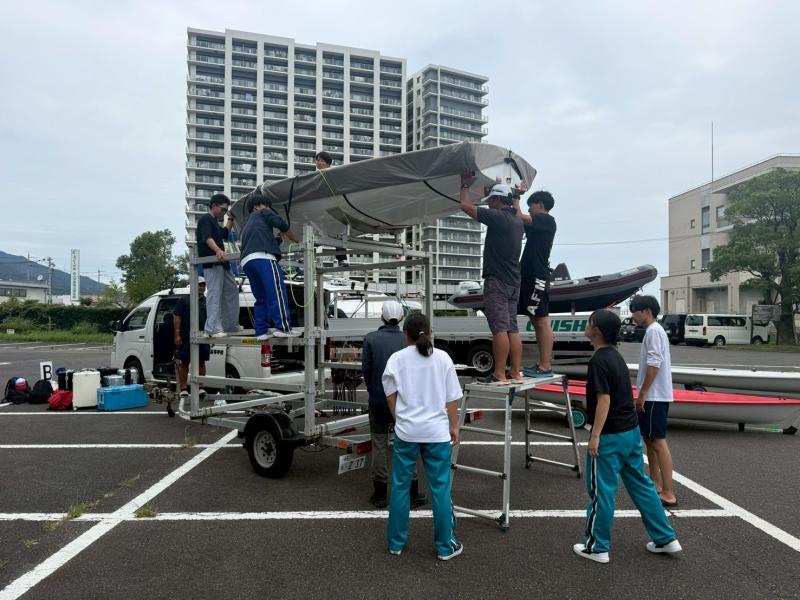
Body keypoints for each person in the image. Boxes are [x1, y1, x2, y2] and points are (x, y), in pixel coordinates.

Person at [574, 309, 682, 563]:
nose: (586, 326)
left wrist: (595, 436)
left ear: (596, 330)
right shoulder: (616, 357)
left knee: (602, 492)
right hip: (630, 432)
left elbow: (604, 400)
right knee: (642, 487)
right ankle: (666, 538)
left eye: (589, 323)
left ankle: (597, 547)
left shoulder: (599, 360)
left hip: (610, 436)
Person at [382, 313, 463, 560]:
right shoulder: (443, 358)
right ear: (429, 332)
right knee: (440, 489)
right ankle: (444, 547)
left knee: (400, 487)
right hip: (436, 433)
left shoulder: (397, 359)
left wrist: (399, 418)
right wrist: (454, 426)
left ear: (405, 334)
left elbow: (390, 395)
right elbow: (452, 398)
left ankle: (396, 543)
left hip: (407, 432)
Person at [361, 301, 427, 509]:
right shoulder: (408, 339)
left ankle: (380, 493)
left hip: (379, 400)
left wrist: (373, 390)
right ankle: (412, 492)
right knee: (407, 443)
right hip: (405, 401)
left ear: (382, 316)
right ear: (401, 318)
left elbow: (366, 370)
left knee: (379, 444)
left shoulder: (371, 338)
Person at [460, 172, 524, 385]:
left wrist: (465, 185)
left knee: (499, 329)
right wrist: (492, 190)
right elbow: (502, 205)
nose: (489, 205)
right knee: (512, 328)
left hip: (497, 281)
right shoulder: (517, 221)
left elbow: (466, 206)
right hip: (514, 282)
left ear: (498, 200)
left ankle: (499, 374)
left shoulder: (498, 218)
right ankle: (515, 373)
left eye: (491, 201)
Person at [630, 295, 677, 507]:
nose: (633, 316)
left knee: (657, 440)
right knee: (649, 439)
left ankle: (668, 492)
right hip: (653, 395)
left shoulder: (654, 331)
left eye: (635, 311)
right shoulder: (653, 331)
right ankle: (655, 482)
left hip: (655, 396)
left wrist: (643, 394)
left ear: (647, 311)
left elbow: (654, 363)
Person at [240, 195, 300, 339]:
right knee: (277, 293)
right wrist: (295, 239)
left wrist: (277, 239)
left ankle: (261, 331)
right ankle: (283, 328)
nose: (268, 208)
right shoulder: (263, 212)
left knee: (261, 297)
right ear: (257, 207)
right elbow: (280, 223)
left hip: (247, 261)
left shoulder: (247, 223)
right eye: (266, 205)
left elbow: (260, 241)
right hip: (264, 258)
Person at [515, 186, 557, 377]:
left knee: (541, 320)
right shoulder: (537, 225)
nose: (529, 209)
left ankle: (546, 366)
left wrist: (516, 196)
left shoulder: (547, 219)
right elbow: (518, 219)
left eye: (530, 205)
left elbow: (519, 215)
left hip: (537, 276)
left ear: (540, 205)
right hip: (528, 275)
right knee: (535, 319)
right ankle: (543, 364)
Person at [196, 193, 239, 337]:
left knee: (232, 290)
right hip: (212, 263)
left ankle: (229, 325)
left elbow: (225, 233)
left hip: (223, 263)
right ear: (214, 206)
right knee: (214, 294)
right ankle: (212, 328)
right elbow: (207, 238)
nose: (223, 213)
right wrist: (218, 250)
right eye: (223, 209)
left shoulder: (214, 222)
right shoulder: (205, 220)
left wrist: (231, 218)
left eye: (226, 211)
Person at [173, 277, 210, 403]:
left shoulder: (207, 301)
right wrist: (177, 335)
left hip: (203, 336)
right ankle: (183, 388)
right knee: (184, 362)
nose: (201, 287)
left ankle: (200, 387)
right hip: (186, 337)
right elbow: (177, 317)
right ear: (193, 286)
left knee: (201, 362)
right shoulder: (184, 300)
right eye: (199, 285)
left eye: (203, 285)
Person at [315, 150, 348, 267]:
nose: (318, 162)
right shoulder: (315, 177)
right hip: (321, 210)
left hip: (334, 208)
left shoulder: (334, 173)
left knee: (338, 233)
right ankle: (305, 256)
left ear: (328, 163)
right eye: (317, 160)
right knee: (314, 232)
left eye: (321, 160)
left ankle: (342, 259)